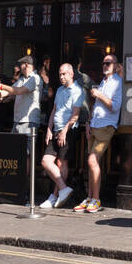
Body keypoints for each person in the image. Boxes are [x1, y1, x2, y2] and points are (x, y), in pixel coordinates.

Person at [75, 54, 122, 214]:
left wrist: (99, 95)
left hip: (106, 126)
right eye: (104, 63)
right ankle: (89, 198)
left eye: (109, 63)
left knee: (92, 160)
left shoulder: (118, 82)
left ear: (116, 66)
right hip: (95, 125)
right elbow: (96, 106)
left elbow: (115, 106)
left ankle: (96, 199)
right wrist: (88, 122)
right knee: (91, 164)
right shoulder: (104, 82)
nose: (105, 65)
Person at [40, 64, 84, 209]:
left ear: (71, 74)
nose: (61, 77)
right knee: (46, 161)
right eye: (60, 74)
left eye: (64, 74)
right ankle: (63, 189)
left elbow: (75, 114)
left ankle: (54, 196)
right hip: (56, 129)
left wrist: (65, 131)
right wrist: (48, 129)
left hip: (68, 130)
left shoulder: (77, 90)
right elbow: (54, 110)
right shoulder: (59, 90)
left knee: (61, 163)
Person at [1, 55, 43, 135]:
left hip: (28, 121)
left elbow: (18, 91)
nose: (19, 67)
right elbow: (10, 91)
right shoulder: (22, 79)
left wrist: (1, 86)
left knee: (26, 147)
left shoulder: (35, 78)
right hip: (18, 120)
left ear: (26, 65)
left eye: (21, 64)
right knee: (15, 146)